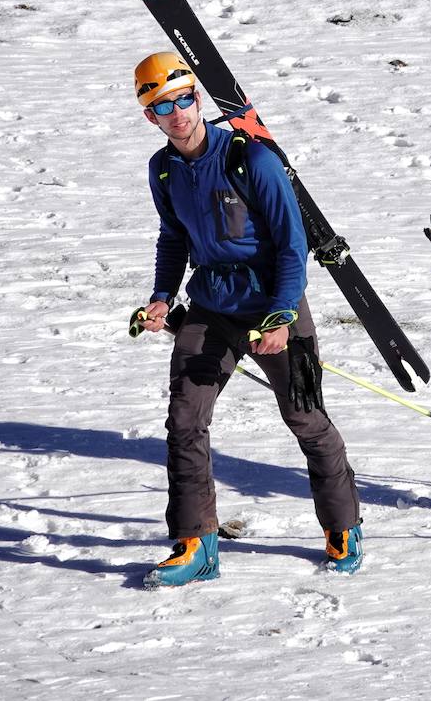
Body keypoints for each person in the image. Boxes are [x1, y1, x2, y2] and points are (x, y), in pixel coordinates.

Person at [131, 51, 363, 586]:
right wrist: (163, 296)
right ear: (151, 116)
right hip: (211, 307)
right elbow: (173, 238)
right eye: (164, 106)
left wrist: (282, 314)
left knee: (304, 415)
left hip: (272, 305)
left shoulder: (250, 159)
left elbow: (290, 243)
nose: (179, 113)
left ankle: (343, 523)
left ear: (197, 97)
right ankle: (195, 545)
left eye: (185, 98)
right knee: (186, 420)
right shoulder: (163, 169)